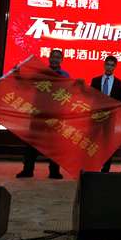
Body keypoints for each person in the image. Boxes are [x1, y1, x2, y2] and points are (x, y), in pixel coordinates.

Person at [17, 49, 69, 179]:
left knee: (54, 144)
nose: (55, 59)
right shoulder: (40, 73)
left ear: (61, 60)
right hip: (38, 113)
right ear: (49, 58)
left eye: (57, 57)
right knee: (32, 143)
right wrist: (17, 74)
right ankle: (28, 170)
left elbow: (68, 93)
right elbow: (27, 85)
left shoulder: (65, 75)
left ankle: (54, 171)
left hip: (55, 114)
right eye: (53, 57)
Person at [91, 55, 121, 173]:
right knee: (94, 143)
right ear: (104, 65)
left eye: (112, 65)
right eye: (108, 64)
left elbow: (119, 102)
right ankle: (93, 165)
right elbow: (91, 99)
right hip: (96, 117)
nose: (109, 67)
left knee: (107, 144)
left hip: (110, 118)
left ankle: (106, 168)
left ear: (115, 67)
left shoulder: (119, 83)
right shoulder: (95, 80)